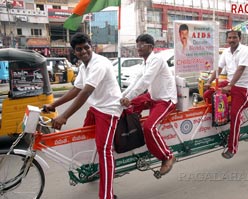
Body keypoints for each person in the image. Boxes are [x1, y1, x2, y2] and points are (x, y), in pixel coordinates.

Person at [44, 32, 122, 199]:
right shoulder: (83, 66)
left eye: (86, 47)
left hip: (109, 109)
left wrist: (64, 116)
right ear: (75, 52)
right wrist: (53, 105)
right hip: (96, 107)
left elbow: (86, 92)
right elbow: (76, 89)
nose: (84, 51)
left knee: (104, 150)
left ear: (91, 46)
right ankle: (94, 170)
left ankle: (107, 195)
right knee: (85, 140)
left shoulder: (99, 63)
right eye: (79, 49)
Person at [120, 34, 177, 175]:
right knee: (128, 106)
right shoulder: (145, 62)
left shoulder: (156, 59)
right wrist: (122, 97)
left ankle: (168, 156)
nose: (138, 47)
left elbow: (145, 81)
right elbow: (136, 81)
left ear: (151, 47)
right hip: (152, 97)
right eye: (137, 44)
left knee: (149, 127)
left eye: (141, 45)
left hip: (165, 100)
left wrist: (130, 97)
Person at [203, 30, 248, 159]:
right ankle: (223, 121)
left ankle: (232, 148)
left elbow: (240, 69)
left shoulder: (245, 51)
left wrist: (230, 86)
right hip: (230, 83)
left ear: (239, 38)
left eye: (234, 37)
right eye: (229, 38)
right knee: (208, 94)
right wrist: (209, 81)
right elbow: (218, 69)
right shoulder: (226, 52)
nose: (231, 40)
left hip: (243, 86)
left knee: (235, 115)